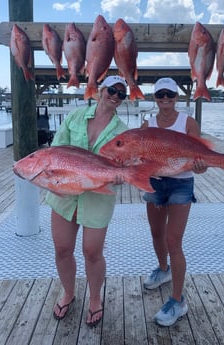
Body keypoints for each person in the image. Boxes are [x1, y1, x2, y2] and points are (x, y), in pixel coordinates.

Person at [46, 75, 129, 327]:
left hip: (97, 196)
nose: (115, 95)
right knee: (62, 248)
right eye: (111, 90)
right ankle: (68, 292)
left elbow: (122, 163)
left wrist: (120, 175)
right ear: (100, 90)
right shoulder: (74, 117)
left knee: (92, 252)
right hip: (64, 193)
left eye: (121, 93)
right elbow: (57, 149)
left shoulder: (123, 131)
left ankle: (95, 299)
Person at [141, 77, 207, 327]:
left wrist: (201, 166)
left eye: (170, 94)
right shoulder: (148, 124)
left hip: (181, 184)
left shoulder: (188, 122)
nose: (165, 98)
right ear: (155, 98)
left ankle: (178, 300)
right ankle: (163, 268)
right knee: (156, 232)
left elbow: (198, 157)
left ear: (177, 97)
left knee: (173, 240)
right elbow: (143, 156)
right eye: (160, 94)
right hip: (155, 182)